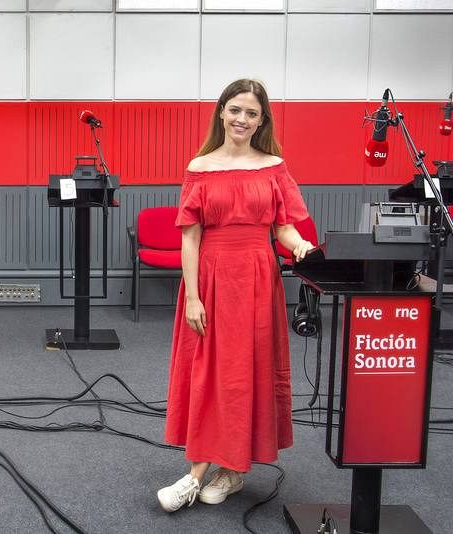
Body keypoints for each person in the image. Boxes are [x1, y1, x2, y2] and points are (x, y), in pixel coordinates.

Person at [156, 79, 314, 512]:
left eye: (252, 113)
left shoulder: (274, 166)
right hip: (210, 279)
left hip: (258, 280)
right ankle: (198, 474)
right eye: (236, 110)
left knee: (245, 374)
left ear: (262, 121)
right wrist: (192, 297)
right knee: (210, 373)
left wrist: (300, 245)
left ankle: (228, 470)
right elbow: (190, 238)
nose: (242, 119)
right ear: (222, 112)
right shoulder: (200, 167)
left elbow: (283, 228)